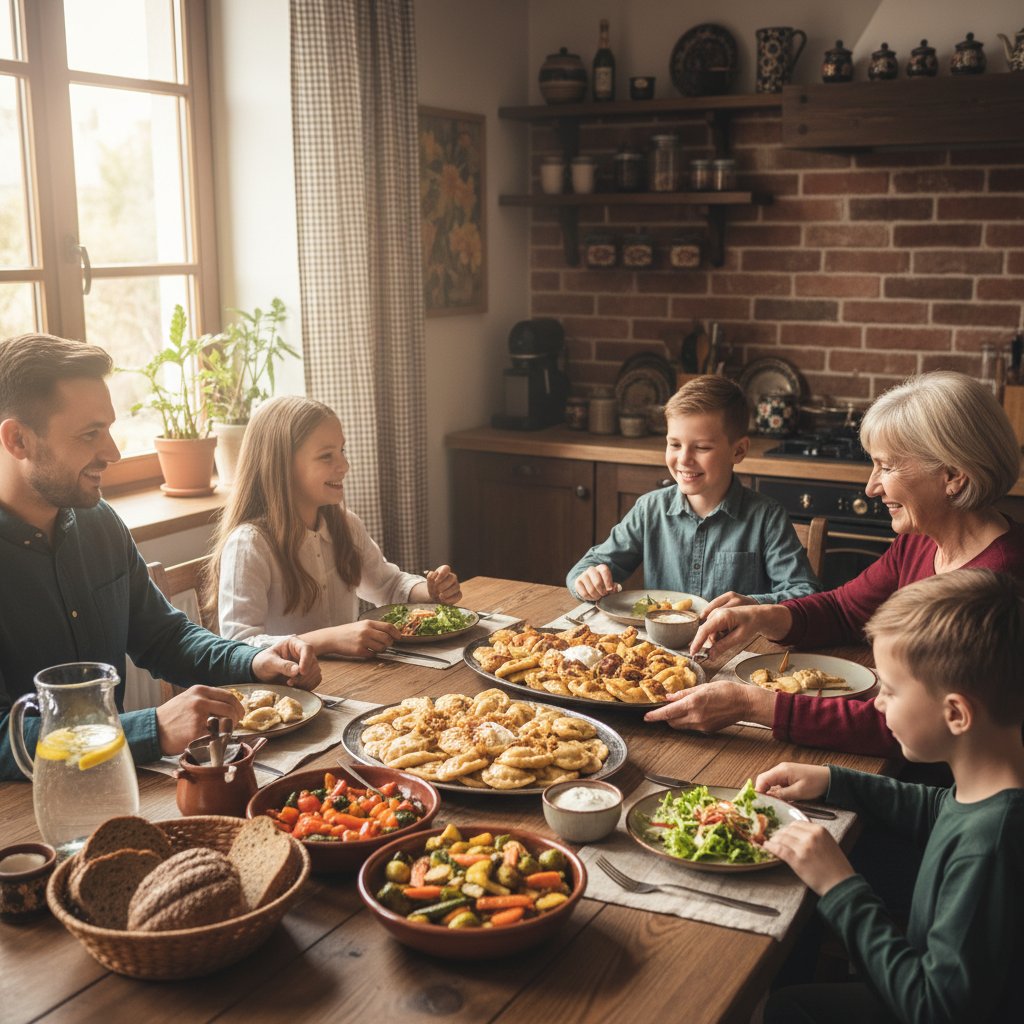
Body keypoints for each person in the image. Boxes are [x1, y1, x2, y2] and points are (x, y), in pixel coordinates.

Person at [645, 371, 1024, 755]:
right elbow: (844, 609)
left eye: (887, 466)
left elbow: (908, 726)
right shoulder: (920, 541)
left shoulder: (997, 582)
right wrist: (763, 616)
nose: (871, 487)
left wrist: (752, 705)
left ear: (953, 475)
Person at [0, 333, 320, 782]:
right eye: (91, 434)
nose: (111, 453)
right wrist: (149, 729)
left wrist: (249, 660)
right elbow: (1, 738)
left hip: (117, 786)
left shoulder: (99, 523)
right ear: (18, 440)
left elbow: (163, 637)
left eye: (108, 428)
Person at [757, 570, 1024, 1024]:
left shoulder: (992, 847)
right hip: (932, 983)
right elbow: (940, 809)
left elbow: (934, 1008)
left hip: (927, 1002)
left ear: (956, 713)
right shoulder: (992, 782)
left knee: (786, 1010)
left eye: (892, 691)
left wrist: (839, 885)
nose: (877, 703)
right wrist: (835, 780)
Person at [207, 395, 462, 658]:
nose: (344, 466)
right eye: (326, 456)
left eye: (342, 450)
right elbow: (238, 646)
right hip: (286, 693)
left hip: (346, 682)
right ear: (282, 466)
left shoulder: (345, 525)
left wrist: (429, 591)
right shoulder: (249, 544)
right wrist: (328, 639)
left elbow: (388, 584)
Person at [566, 376, 819, 605]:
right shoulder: (649, 509)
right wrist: (586, 581)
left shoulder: (766, 517)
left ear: (738, 450)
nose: (684, 459)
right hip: (661, 653)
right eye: (674, 444)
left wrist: (751, 605)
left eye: (702, 448)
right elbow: (585, 569)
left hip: (735, 651)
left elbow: (805, 594)